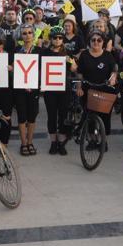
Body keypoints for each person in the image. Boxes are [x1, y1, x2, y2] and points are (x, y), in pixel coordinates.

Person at [40, 26, 75, 155]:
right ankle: (53, 142)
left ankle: (61, 142)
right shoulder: (44, 53)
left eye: (60, 38)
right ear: (51, 39)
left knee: (63, 116)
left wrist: (70, 61)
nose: (58, 40)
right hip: (50, 90)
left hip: (64, 89)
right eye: (55, 37)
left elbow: (74, 69)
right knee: (51, 116)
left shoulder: (67, 53)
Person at [76, 30, 118, 136]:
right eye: (93, 40)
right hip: (88, 88)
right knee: (89, 115)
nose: (96, 42)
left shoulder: (108, 55)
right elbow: (80, 73)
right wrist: (79, 88)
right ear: (89, 42)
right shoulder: (84, 55)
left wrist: (113, 78)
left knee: (105, 116)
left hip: (104, 88)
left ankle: (104, 139)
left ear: (103, 42)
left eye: (99, 40)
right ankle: (91, 139)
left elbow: (114, 69)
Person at [13, 24, 41, 156]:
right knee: (21, 116)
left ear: (33, 35)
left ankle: (30, 142)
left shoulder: (39, 51)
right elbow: (12, 66)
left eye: (30, 33)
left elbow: (46, 67)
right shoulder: (17, 50)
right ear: (21, 35)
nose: (27, 35)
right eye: (24, 33)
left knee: (32, 115)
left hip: (34, 89)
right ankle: (23, 143)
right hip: (19, 88)